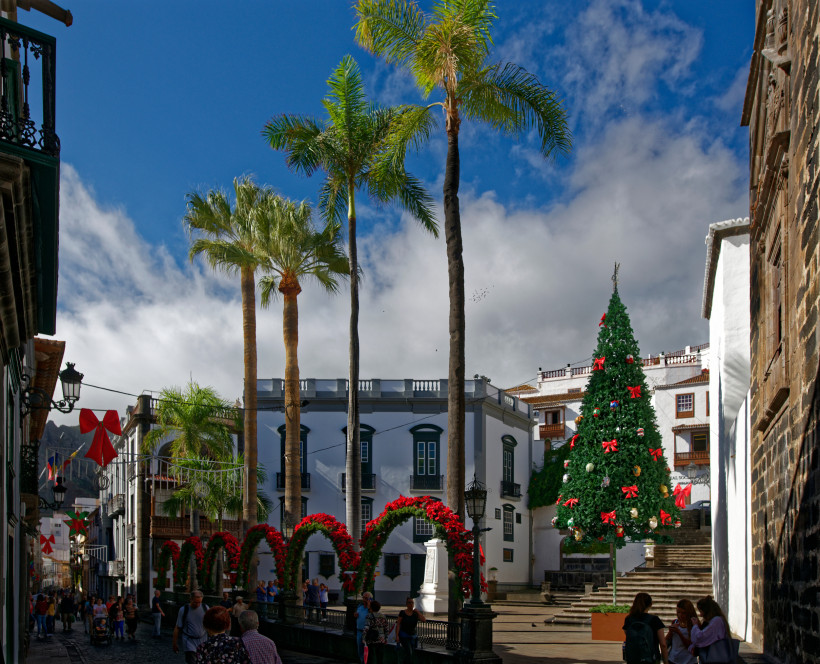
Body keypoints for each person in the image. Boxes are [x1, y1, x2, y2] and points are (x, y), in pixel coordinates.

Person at [622, 592, 669, 664]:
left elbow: (628, 636)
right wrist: (666, 661)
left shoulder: (629, 619)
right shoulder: (654, 619)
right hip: (651, 658)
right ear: (650, 604)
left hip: (633, 659)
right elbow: (663, 644)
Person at [173, 590, 210, 663]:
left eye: (199, 602)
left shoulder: (205, 608)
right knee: (192, 661)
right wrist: (174, 643)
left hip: (203, 640)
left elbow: (210, 624)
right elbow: (177, 627)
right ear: (190, 599)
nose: (197, 604)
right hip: (189, 640)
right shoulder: (184, 610)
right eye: (195, 602)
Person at [666, 599, 697, 664]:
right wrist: (670, 632)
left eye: (683, 613)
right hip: (673, 659)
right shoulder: (675, 622)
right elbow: (666, 641)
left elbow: (691, 646)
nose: (680, 615)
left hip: (688, 661)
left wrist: (679, 633)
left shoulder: (694, 624)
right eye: (678, 612)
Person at [396, 596, 426, 662]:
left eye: (412, 603)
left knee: (411, 653)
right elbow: (398, 624)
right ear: (406, 604)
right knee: (409, 652)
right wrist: (397, 635)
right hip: (404, 635)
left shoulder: (415, 613)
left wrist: (418, 612)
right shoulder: (402, 613)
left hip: (412, 636)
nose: (411, 604)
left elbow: (424, 620)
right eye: (409, 603)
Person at [364, 600, 390, 664]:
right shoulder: (383, 616)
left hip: (372, 639)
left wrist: (363, 638)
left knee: (371, 658)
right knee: (380, 658)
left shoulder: (369, 616)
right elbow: (386, 628)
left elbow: (366, 628)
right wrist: (386, 638)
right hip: (381, 639)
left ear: (371, 607)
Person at [354, 592, 372, 663]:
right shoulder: (360, 606)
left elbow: (373, 615)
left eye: (366, 598)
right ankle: (362, 661)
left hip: (367, 632)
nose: (364, 599)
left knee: (367, 649)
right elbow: (356, 613)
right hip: (359, 631)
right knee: (360, 649)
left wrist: (369, 606)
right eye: (363, 598)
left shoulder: (371, 607)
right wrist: (355, 615)